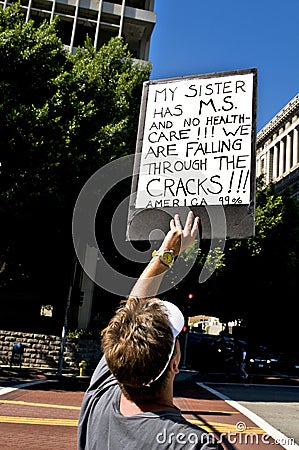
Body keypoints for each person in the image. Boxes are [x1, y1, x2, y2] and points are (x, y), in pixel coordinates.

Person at [78, 212, 223, 450]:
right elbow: (133, 307)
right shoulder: (194, 445)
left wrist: (168, 252)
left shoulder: (99, 400)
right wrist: (171, 252)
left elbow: (133, 306)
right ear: (175, 364)